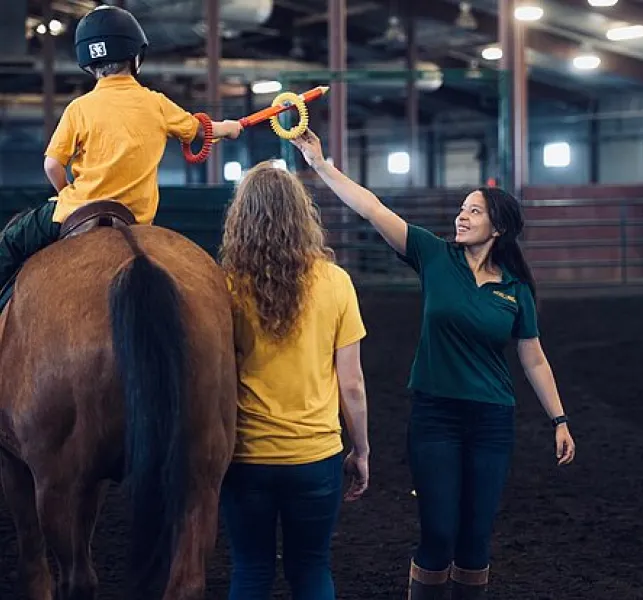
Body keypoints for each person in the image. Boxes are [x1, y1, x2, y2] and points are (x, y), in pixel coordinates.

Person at [291, 129, 576, 599]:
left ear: (497, 226)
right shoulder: (434, 256)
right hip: (435, 417)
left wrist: (559, 419)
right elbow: (372, 208)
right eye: (462, 209)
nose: (461, 217)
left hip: (491, 421)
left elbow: (535, 358)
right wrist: (320, 164)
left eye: (474, 211)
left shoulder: (515, 290)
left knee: (475, 541)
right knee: (439, 533)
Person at [0, 4, 241, 296]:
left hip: (78, 209)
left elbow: (52, 165)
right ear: (136, 56)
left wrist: (66, 193)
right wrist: (230, 127)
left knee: (12, 241)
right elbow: (201, 129)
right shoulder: (156, 103)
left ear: (88, 65)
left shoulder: (79, 108)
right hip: (136, 217)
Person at [218, 160, 371, 600]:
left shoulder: (224, 287)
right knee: (311, 568)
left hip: (246, 455)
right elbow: (353, 384)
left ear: (240, 219)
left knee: (249, 570)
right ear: (301, 216)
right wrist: (360, 449)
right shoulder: (336, 282)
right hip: (316, 456)